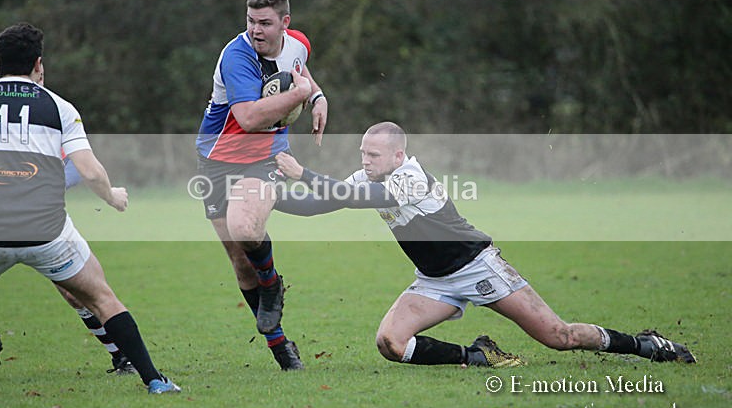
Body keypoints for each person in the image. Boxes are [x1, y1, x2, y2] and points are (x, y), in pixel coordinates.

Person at [273, 122, 697, 367]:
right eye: (363, 154)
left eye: (374, 156)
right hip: (433, 281)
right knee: (390, 343)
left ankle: (646, 345)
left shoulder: (410, 177)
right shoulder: (368, 177)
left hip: (478, 266)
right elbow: (322, 203)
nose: (365, 163)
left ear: (399, 155)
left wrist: (302, 171)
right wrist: (270, 200)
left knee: (558, 336)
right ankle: (478, 356)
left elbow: (362, 199)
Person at [0, 23, 180, 402]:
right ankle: (154, 380)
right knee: (102, 297)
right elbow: (90, 169)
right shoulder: (58, 106)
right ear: (38, 64)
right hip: (48, 233)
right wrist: (112, 196)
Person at [0, 78, 135, 376]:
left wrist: (37, 190)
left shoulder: (49, 112)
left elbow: (80, 167)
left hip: (41, 217)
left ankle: (121, 357)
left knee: (74, 292)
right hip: (4, 216)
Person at [195, 0, 328, 371]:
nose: (256, 30)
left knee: (244, 226)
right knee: (239, 263)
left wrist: (317, 97)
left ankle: (271, 285)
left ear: (285, 23)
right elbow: (250, 119)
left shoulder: (297, 43)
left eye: (265, 23)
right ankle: (280, 345)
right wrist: (302, 94)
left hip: (265, 159)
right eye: (251, 21)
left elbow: (303, 73)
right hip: (217, 161)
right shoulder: (236, 57)